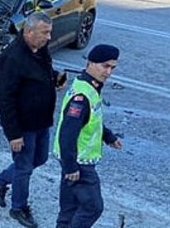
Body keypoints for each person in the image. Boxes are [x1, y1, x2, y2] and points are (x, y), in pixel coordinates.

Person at [0, 12, 64, 228]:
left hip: (41, 121)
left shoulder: (40, 49)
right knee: (24, 167)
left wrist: (54, 77)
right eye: (45, 33)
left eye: (50, 32)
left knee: (39, 159)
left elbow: (42, 70)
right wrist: (14, 134)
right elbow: (5, 99)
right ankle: (18, 208)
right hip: (23, 126)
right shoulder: (12, 57)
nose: (49, 37)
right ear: (29, 32)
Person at [53, 44, 122, 228]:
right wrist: (70, 167)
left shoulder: (87, 85)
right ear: (91, 63)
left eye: (112, 68)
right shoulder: (82, 96)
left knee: (69, 207)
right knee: (93, 207)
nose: (109, 72)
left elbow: (92, 119)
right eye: (105, 66)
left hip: (71, 158)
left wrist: (108, 136)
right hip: (79, 162)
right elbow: (67, 133)